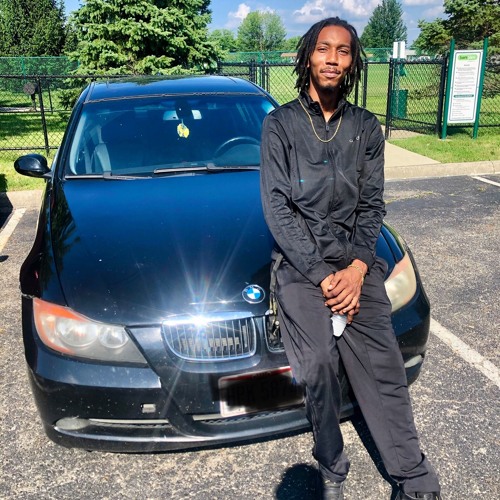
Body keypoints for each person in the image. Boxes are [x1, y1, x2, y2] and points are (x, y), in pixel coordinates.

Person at [259, 16, 441, 500]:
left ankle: (414, 479)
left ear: (353, 63)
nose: (332, 59)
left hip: (356, 265)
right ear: (307, 57)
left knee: (385, 367)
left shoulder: (365, 128)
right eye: (323, 48)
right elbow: (277, 209)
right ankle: (331, 465)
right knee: (318, 363)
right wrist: (323, 276)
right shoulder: (280, 126)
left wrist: (359, 269)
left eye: (343, 51)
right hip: (301, 267)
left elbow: (372, 205)